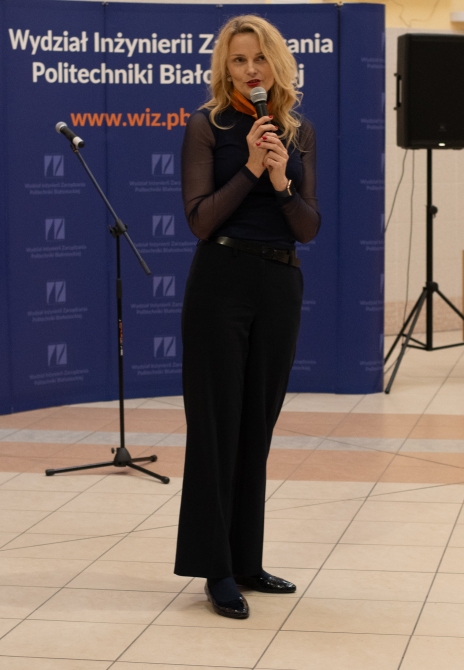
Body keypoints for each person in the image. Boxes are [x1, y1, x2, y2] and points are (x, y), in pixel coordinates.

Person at [174, 14, 321, 619]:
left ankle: (246, 560)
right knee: (217, 428)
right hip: (221, 281)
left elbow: (308, 228)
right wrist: (253, 169)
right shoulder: (207, 125)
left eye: (259, 58)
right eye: (238, 60)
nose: (251, 69)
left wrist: (282, 180)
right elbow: (201, 219)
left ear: (277, 64)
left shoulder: (298, 131)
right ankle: (216, 569)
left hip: (279, 283)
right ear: (225, 68)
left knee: (256, 426)